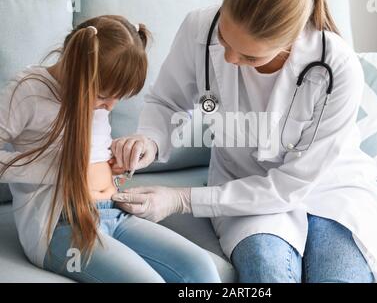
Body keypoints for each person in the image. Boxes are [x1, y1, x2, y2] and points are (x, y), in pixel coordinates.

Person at [111, 0, 377, 283]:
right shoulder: (199, 27)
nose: (231, 59)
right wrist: (150, 140)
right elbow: (167, 102)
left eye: (250, 57)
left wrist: (182, 199)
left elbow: (290, 186)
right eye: (224, 39)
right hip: (241, 184)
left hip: (330, 189)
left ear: (291, 40)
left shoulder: (337, 67)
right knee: (267, 274)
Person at [0, 15, 221, 283]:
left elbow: (92, 155)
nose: (110, 107)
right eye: (104, 96)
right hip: (61, 225)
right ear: (74, 66)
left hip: (115, 211)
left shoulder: (96, 98)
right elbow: (63, 163)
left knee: (200, 268)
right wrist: (54, 168)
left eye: (118, 98)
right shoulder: (28, 92)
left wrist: (114, 161)